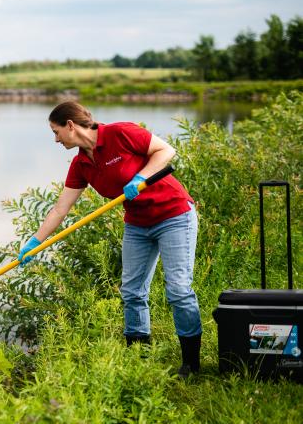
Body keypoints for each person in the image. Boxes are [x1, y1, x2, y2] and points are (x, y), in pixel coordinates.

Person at [17, 101, 202, 377]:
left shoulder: (119, 133)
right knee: (132, 292)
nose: (55, 140)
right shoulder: (81, 164)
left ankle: (191, 364)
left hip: (173, 215)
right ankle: (139, 358)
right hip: (138, 225)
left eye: (56, 132)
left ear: (70, 125)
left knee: (178, 289)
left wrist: (140, 177)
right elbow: (60, 209)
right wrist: (36, 241)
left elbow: (166, 150)